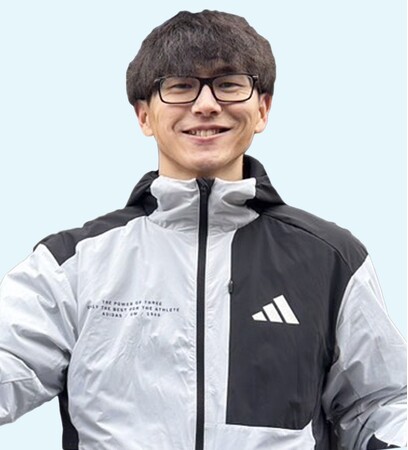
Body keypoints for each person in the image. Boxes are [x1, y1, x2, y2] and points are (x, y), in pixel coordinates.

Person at [0, 9, 406, 450]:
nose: (206, 105)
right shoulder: (72, 264)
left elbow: (383, 404)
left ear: (263, 108)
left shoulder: (331, 260)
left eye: (229, 84)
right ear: (144, 115)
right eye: (180, 86)